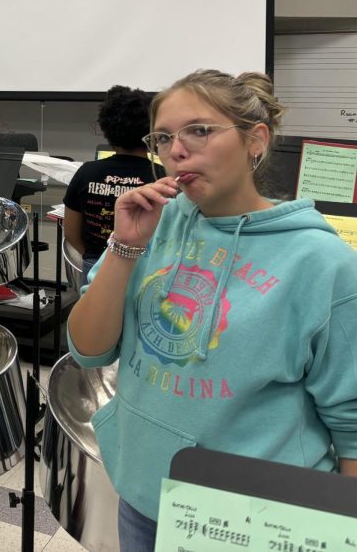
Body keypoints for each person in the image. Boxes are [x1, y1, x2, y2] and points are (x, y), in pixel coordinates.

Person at [67, 69, 357, 552]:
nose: (176, 150)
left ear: (255, 140)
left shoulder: (322, 263)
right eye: (163, 137)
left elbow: (351, 421)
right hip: (145, 494)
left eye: (199, 130)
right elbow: (88, 350)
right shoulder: (156, 222)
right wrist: (124, 246)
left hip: (255, 515)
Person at [64, 86, 165, 288]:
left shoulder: (87, 172)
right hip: (149, 267)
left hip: (95, 263)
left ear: (106, 129)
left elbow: (71, 232)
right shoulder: (162, 176)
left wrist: (96, 255)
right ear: (151, 130)